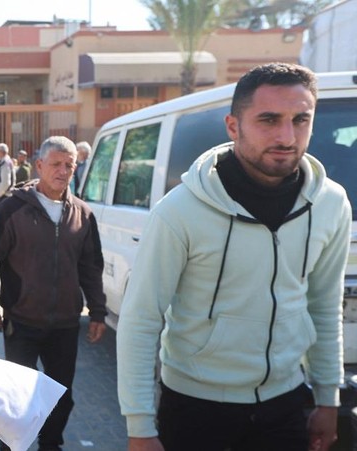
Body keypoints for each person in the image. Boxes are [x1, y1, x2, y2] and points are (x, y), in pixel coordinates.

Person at [117, 63, 349, 451]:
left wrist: (328, 397)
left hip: (286, 404)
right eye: (269, 120)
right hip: (195, 408)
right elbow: (141, 319)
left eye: (300, 120)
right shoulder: (179, 212)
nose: (287, 136)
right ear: (232, 125)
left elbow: (324, 307)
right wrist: (140, 425)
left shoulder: (330, 204)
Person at [0, 136, 107, 451]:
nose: (63, 171)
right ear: (39, 166)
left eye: (69, 165)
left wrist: (97, 312)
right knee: (16, 398)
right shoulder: (13, 209)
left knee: (62, 396)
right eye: (56, 164)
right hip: (21, 321)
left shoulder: (82, 214)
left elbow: (91, 267)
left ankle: (51, 445)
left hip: (65, 325)